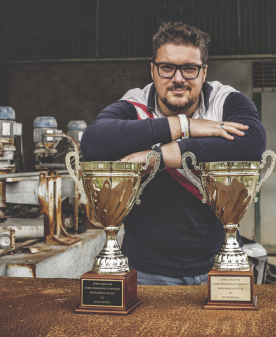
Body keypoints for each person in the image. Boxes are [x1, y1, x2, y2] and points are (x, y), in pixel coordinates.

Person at [81, 21, 266, 285]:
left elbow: (252, 143)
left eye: (189, 69)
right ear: (153, 70)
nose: (177, 79)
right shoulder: (134, 103)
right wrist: (185, 125)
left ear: (203, 73)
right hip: (146, 271)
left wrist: (161, 154)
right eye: (167, 68)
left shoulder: (225, 100)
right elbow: (94, 141)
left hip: (218, 264)